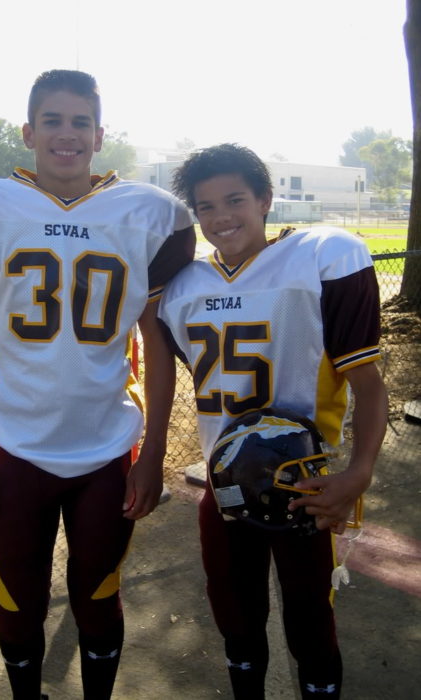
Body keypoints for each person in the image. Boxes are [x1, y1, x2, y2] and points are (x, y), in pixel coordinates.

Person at [0, 69, 195, 700]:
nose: (66, 135)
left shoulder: (148, 214)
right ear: (28, 131)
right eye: (53, 121)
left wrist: (153, 453)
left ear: (100, 135)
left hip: (107, 448)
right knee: (17, 594)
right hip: (19, 448)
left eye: (80, 122)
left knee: (99, 593)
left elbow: (155, 347)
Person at [158, 143, 388, 699]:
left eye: (235, 199)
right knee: (236, 618)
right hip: (226, 482)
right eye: (206, 207)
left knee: (311, 620)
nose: (222, 217)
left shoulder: (320, 256)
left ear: (265, 199)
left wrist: (358, 472)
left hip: (306, 480)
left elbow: (368, 384)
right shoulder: (182, 288)